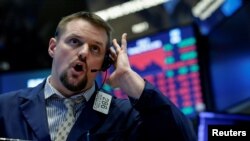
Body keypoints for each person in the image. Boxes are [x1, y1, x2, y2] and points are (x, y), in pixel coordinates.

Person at [0, 11, 197, 141]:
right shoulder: (6, 108)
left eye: (95, 48)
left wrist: (131, 80)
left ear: (104, 63)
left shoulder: (124, 116)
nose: (84, 53)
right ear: (53, 47)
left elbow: (183, 137)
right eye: (74, 41)